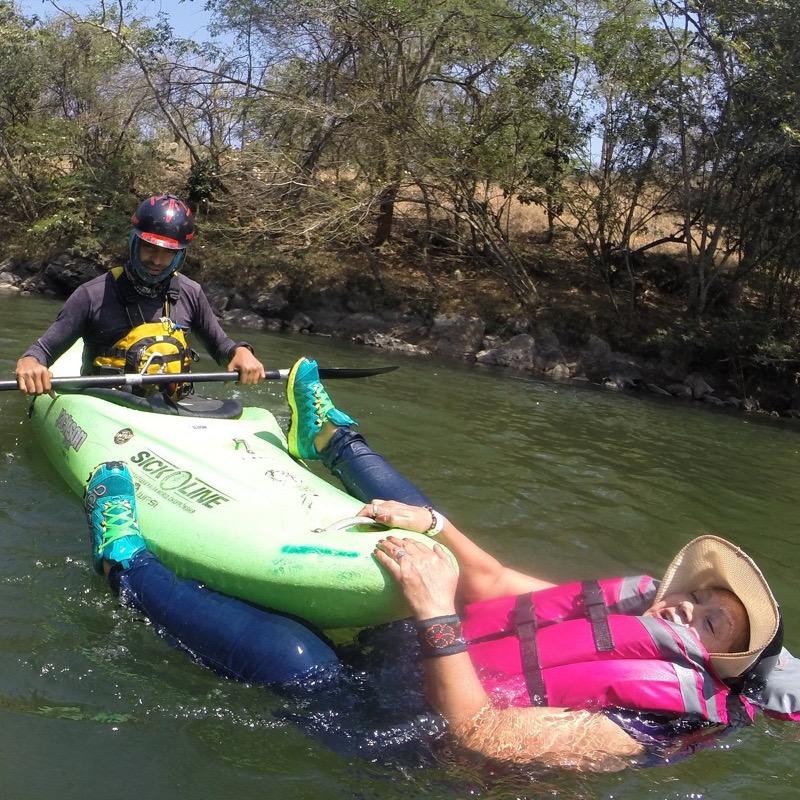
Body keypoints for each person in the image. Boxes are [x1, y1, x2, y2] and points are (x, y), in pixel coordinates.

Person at [82, 358, 796, 772]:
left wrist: (434, 610)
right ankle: (329, 437)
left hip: (411, 740)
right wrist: (435, 527)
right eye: (695, 597)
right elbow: (496, 585)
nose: (681, 608)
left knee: (298, 657)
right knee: (431, 531)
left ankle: (125, 559)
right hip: (418, 654)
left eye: (708, 622)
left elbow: (483, 735)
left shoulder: (651, 725)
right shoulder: (628, 617)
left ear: (721, 667)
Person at [15, 194, 265, 396]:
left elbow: (221, 347)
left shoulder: (191, 292)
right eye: (149, 247)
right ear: (133, 242)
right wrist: (30, 362)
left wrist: (240, 351)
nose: (156, 260)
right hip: (106, 408)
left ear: (180, 255)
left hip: (171, 408)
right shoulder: (91, 295)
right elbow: (43, 351)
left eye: (167, 253)